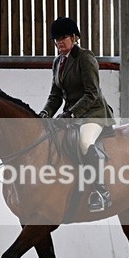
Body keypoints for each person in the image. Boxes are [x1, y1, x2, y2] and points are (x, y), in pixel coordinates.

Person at [39, 17, 116, 212]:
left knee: (84, 142)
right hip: (72, 115)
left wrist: (71, 115)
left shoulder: (85, 57)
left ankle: (102, 192)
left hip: (93, 114)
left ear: (74, 37)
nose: (59, 42)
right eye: (56, 39)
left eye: (63, 37)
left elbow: (92, 93)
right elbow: (55, 95)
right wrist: (45, 112)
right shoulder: (57, 62)